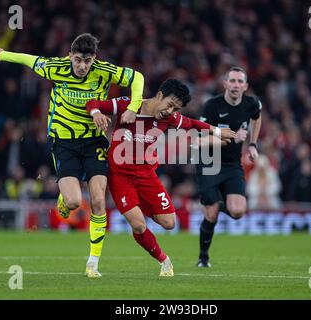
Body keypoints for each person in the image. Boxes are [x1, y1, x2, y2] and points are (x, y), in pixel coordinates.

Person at [0, 33, 144, 277]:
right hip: (64, 142)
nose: (83, 66)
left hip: (94, 142)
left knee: (98, 200)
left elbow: (137, 78)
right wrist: (3, 54)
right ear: (70, 56)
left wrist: (133, 107)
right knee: (72, 202)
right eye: (79, 60)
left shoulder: (103, 71)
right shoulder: (56, 68)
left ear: (94, 59)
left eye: (88, 60)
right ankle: (64, 198)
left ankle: (93, 262)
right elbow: (30, 60)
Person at [86, 79, 236, 276]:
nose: (171, 111)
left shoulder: (169, 118)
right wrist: (96, 113)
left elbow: (191, 123)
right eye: (170, 104)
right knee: (139, 225)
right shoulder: (129, 105)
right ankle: (164, 260)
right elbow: (93, 103)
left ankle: (140, 206)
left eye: (176, 108)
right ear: (159, 95)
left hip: (147, 175)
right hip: (120, 176)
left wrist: (216, 131)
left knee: (169, 223)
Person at [195, 66, 262, 267]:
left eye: (240, 81)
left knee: (238, 212)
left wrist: (252, 144)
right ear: (225, 84)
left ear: (245, 86)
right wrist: (231, 137)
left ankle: (217, 202)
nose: (236, 85)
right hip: (209, 163)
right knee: (212, 214)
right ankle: (203, 257)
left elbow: (257, 118)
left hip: (233, 165)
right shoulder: (212, 107)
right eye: (232, 81)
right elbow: (199, 140)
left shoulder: (251, 104)